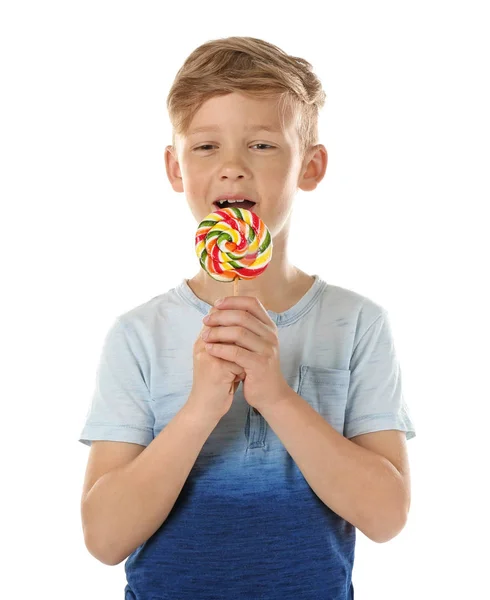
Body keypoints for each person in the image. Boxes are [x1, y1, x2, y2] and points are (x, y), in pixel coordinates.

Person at [79, 36, 416, 600]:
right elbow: (104, 538)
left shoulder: (357, 324)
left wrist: (277, 396)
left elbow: (386, 517)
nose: (232, 167)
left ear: (311, 166)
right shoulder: (138, 336)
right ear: (175, 168)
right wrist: (199, 409)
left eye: (261, 144)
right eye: (206, 146)